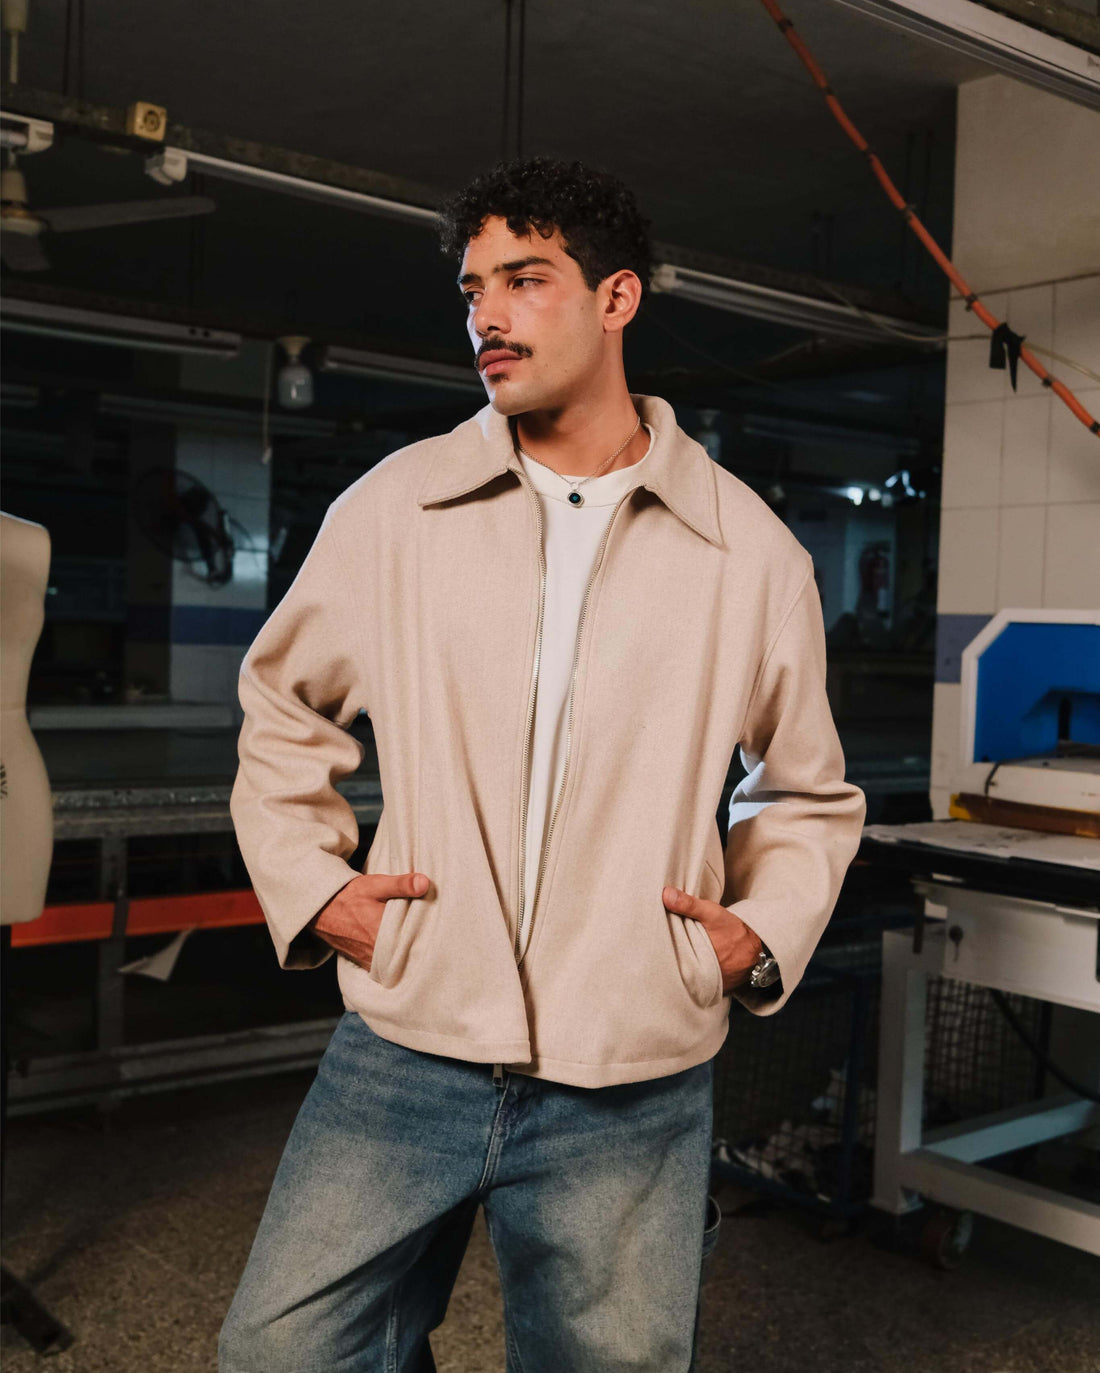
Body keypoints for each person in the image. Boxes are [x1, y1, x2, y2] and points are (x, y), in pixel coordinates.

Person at [219, 155, 866, 1372]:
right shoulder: (394, 507)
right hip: (410, 1032)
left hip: (627, 1065)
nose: (488, 318)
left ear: (616, 298)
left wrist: (752, 929)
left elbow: (802, 788)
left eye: (525, 279)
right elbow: (280, 705)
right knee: (283, 1351)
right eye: (472, 290)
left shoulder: (747, 550)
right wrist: (316, 886)